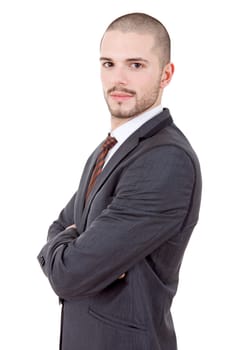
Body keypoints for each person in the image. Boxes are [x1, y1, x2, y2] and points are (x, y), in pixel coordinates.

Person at [37, 12, 202, 350]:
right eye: (109, 64)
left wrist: (70, 249)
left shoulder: (166, 160)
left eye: (136, 65)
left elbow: (69, 275)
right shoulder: (107, 149)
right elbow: (61, 225)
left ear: (166, 74)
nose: (119, 79)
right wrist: (70, 243)